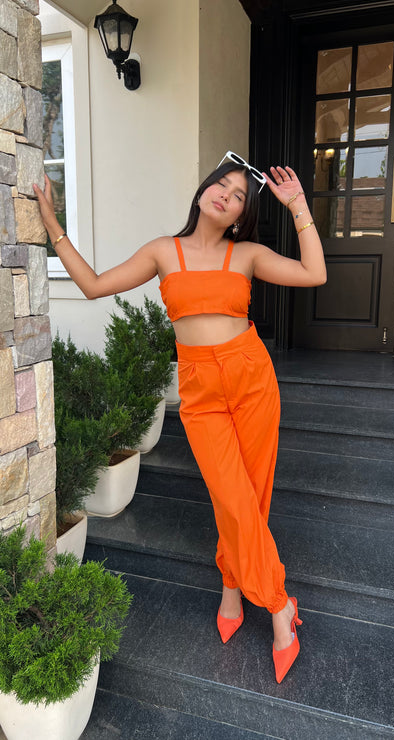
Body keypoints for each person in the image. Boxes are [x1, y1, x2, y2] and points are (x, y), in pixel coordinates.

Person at [34, 151, 326, 683]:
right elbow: (94, 285)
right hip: (200, 387)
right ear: (203, 191)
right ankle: (280, 605)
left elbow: (314, 273)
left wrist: (298, 206)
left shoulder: (248, 254)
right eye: (221, 185)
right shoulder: (163, 251)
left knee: (251, 495)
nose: (226, 195)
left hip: (251, 377)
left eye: (239, 196)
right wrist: (53, 223)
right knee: (230, 495)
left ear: (240, 215)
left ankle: (232, 588)